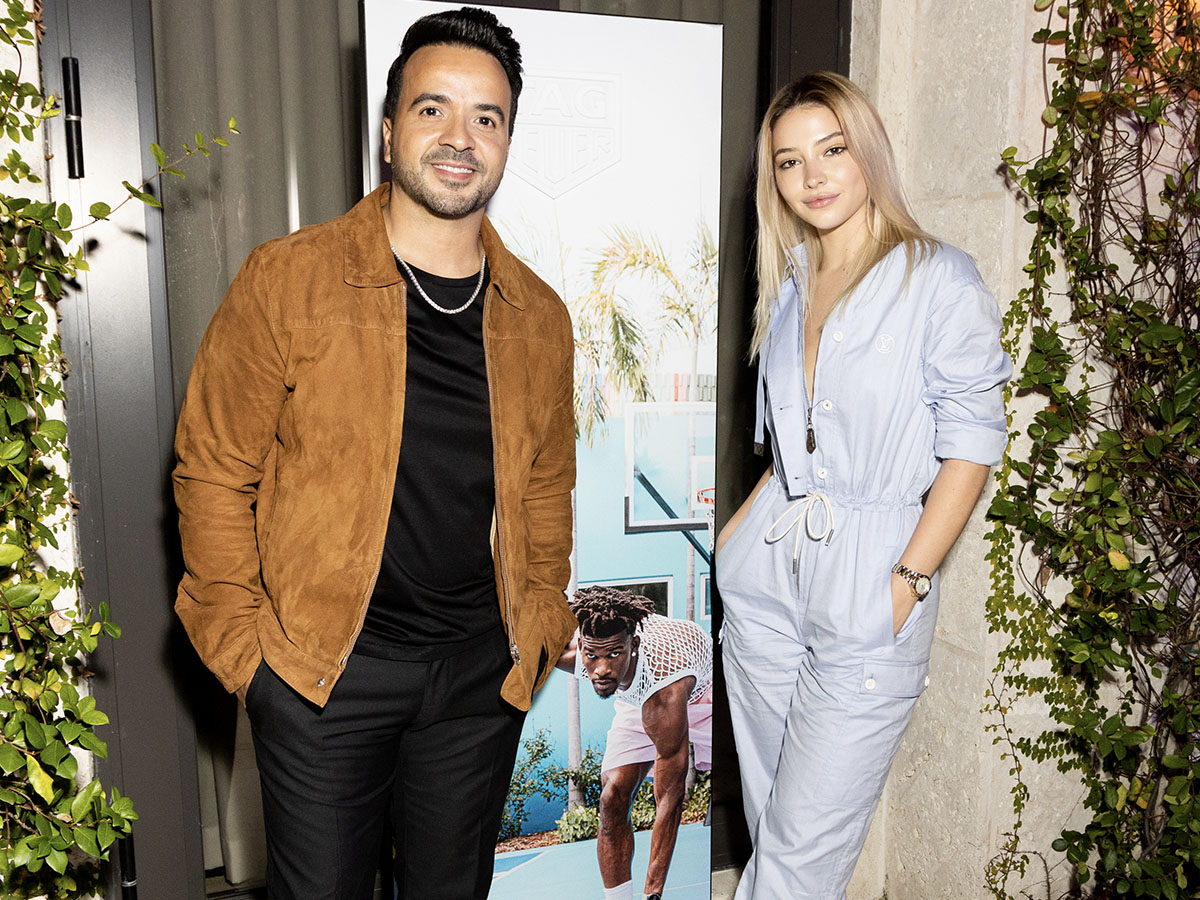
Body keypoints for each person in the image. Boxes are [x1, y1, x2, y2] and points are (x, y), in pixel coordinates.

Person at [172, 8, 577, 899]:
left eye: (486, 117)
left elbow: (547, 489)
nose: (460, 137)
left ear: (507, 141)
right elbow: (213, 473)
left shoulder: (540, 318)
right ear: (389, 130)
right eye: (433, 109)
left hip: (478, 684)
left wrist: (543, 621)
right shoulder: (288, 281)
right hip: (322, 677)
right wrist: (250, 659)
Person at [715, 72, 1012, 899]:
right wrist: (734, 543)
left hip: (872, 576)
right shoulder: (791, 286)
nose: (812, 176)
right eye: (789, 161)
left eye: (832, 149)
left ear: (868, 152)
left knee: (798, 864)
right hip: (767, 580)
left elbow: (972, 445)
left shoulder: (938, 278)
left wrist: (908, 580)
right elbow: (791, 448)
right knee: (779, 836)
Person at [556, 585, 713, 900]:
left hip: (705, 697)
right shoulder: (574, 654)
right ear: (582, 647)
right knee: (612, 796)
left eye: (614, 654)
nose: (602, 669)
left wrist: (652, 893)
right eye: (592, 656)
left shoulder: (666, 687)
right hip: (637, 697)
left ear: (634, 645)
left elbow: (669, 800)